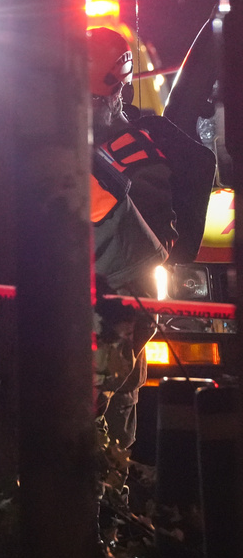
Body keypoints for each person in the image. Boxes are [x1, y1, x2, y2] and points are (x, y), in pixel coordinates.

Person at [87, 27, 177, 451]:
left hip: (118, 349)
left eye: (88, 100)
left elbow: (146, 274)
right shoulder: (66, 152)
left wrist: (107, 376)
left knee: (109, 460)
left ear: (114, 93)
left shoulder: (139, 161)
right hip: (72, 340)